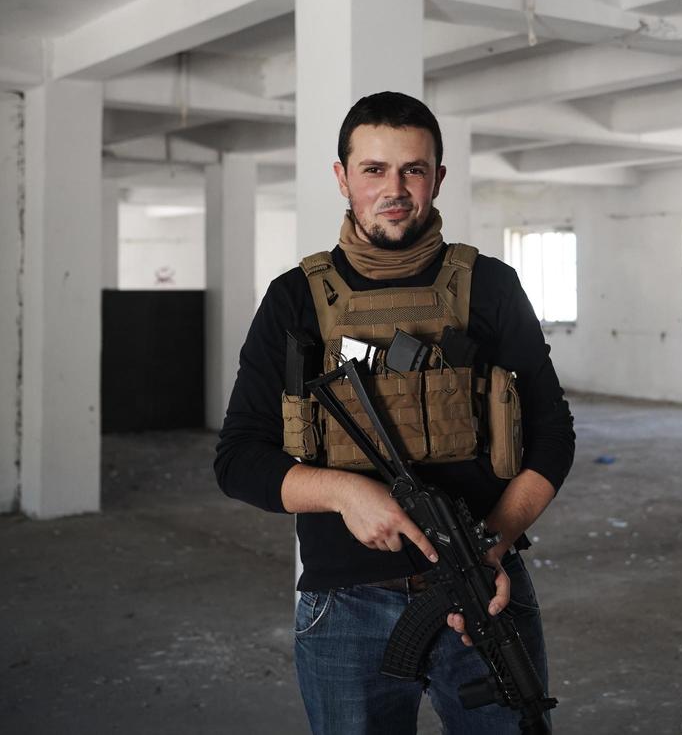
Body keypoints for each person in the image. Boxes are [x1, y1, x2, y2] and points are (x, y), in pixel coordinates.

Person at [214, 91, 575, 734]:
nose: (395, 189)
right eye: (374, 169)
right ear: (342, 177)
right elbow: (239, 458)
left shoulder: (490, 285)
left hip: (483, 592)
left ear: (438, 177)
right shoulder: (294, 298)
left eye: (414, 169)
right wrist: (345, 493)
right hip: (345, 608)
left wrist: (493, 545)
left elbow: (552, 435)